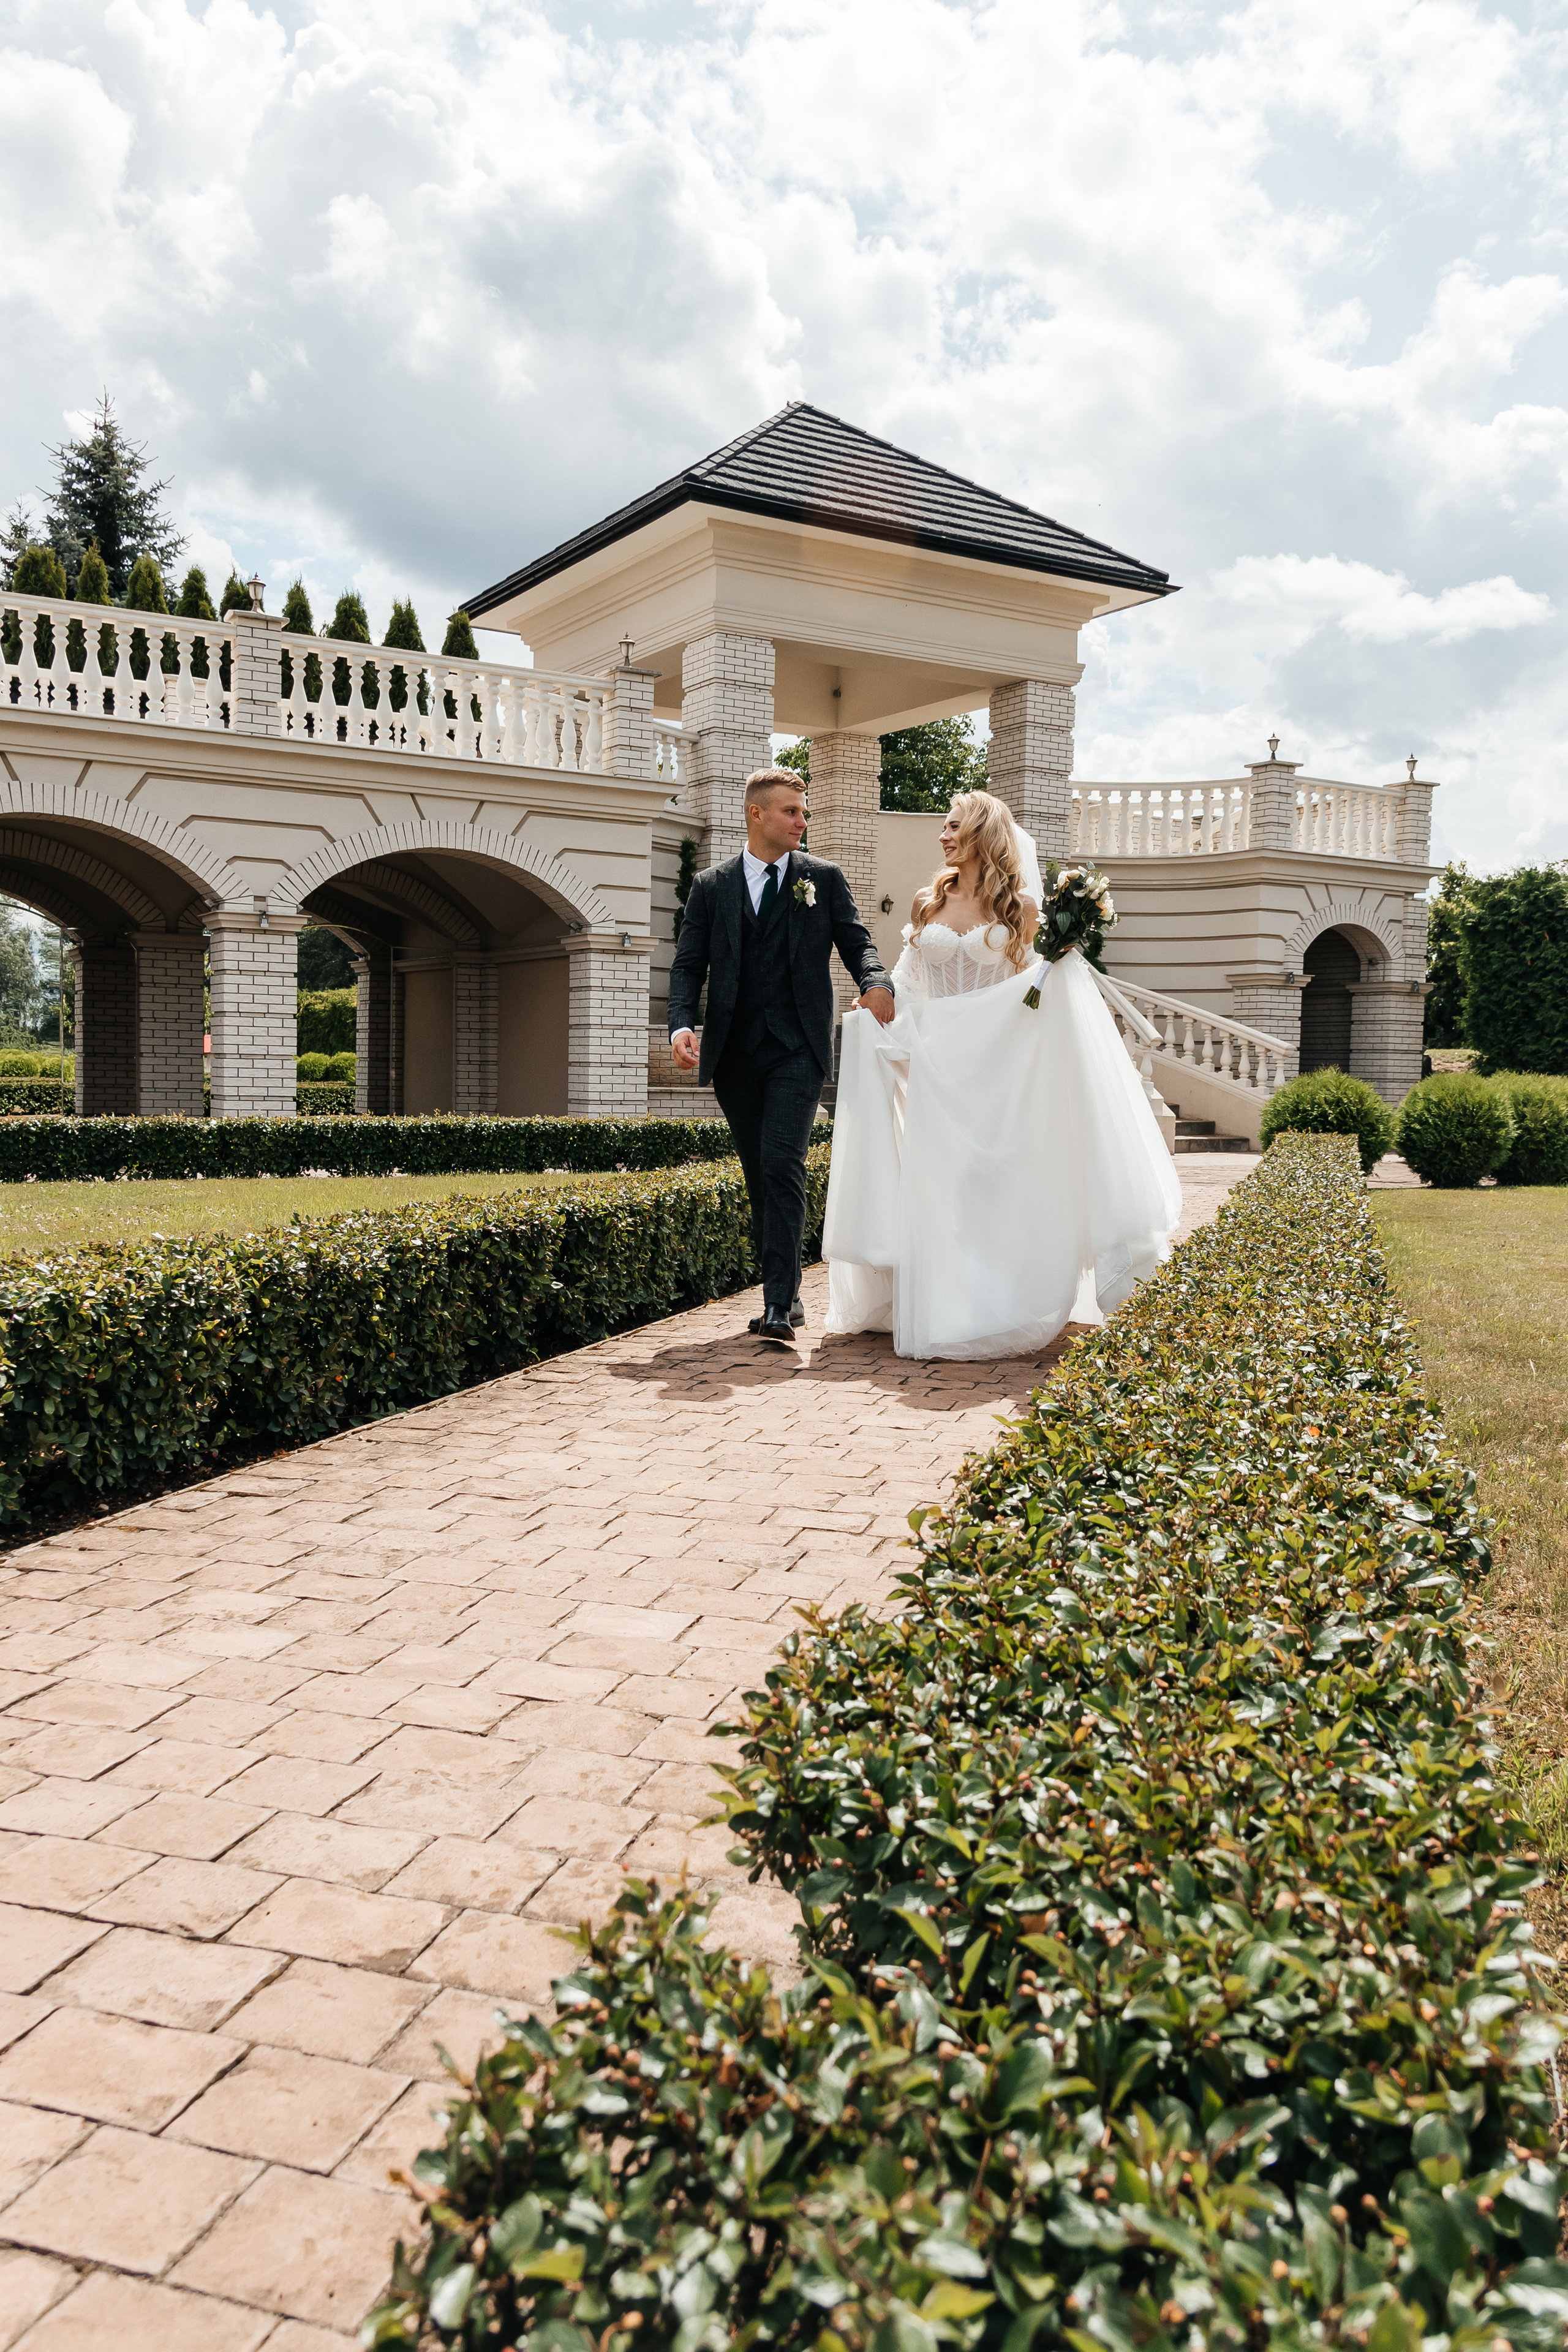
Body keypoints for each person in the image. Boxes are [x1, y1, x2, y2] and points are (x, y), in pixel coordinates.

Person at [823, 789, 1182, 1359]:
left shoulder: (1020, 910)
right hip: (938, 1070)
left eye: (954, 826)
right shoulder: (927, 902)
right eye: (943, 826)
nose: (943, 836)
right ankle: (949, 1307)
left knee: (993, 1185)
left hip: (999, 1070)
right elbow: (909, 978)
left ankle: (1001, 1303)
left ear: (983, 835)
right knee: (945, 1188)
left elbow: (1036, 986)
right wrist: (879, 1011)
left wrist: (1063, 957)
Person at [668, 765, 895, 1346]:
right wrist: (681, 1026)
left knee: (781, 1163)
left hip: (797, 1046)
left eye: (803, 811)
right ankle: (788, 1295)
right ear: (757, 814)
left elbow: (857, 940)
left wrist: (877, 983)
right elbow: (689, 965)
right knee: (757, 1174)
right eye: (791, 811)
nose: (801, 821)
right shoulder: (712, 887)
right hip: (734, 1053)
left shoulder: (823, 877)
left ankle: (775, 1304)